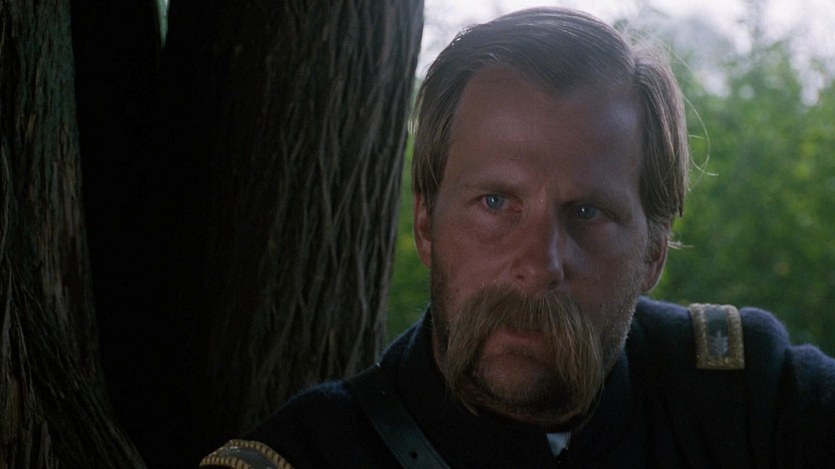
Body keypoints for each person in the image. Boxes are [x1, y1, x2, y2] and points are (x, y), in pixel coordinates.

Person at [201, 7, 835, 468]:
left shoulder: (753, 403)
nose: (537, 264)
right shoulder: (311, 455)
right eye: (496, 203)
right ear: (426, 224)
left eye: (586, 212)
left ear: (652, 252)